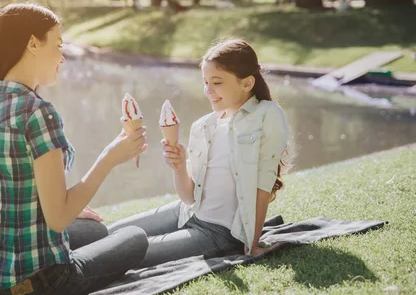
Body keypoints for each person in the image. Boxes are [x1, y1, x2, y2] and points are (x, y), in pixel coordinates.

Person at [0, 3, 149, 295]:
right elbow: (58, 218)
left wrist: (69, 206)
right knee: (134, 237)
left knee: (96, 231)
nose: (62, 57)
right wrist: (109, 158)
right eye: (58, 44)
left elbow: (13, 191)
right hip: (41, 283)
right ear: (32, 43)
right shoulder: (38, 113)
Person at [108, 38, 290, 267]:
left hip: (218, 233)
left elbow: (262, 185)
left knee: (120, 253)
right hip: (185, 212)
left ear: (247, 83)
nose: (208, 91)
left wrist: (252, 244)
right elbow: (189, 197)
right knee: (110, 234)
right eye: (205, 82)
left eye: (217, 82)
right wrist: (179, 166)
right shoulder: (203, 125)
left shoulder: (268, 115)